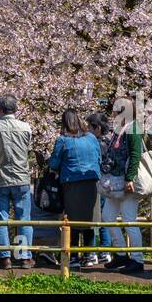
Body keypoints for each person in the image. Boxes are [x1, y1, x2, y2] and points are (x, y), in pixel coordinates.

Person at [0, 95, 34, 270]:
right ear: (15, 109)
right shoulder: (25, 127)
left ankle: (4, 258)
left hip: (0, 179)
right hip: (22, 178)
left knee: (1, 218)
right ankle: (24, 257)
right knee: (23, 218)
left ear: (0, 109)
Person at [47, 108, 101, 269]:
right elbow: (99, 158)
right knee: (90, 220)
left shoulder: (63, 140)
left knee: (73, 220)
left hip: (72, 183)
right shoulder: (92, 138)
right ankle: (90, 255)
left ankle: (74, 256)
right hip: (92, 182)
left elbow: (54, 163)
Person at [99, 101, 145, 274]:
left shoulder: (133, 129)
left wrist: (130, 178)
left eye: (115, 111)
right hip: (116, 182)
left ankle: (137, 259)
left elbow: (135, 155)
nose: (113, 115)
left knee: (129, 221)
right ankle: (120, 254)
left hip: (127, 182)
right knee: (108, 216)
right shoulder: (121, 129)